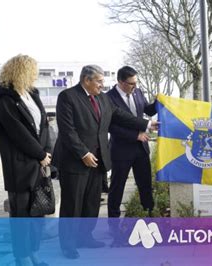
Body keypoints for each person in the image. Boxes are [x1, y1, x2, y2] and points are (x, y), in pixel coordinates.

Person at [52, 65, 157, 259]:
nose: (102, 85)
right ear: (87, 80)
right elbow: (67, 130)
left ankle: (85, 237)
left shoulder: (102, 98)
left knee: (92, 202)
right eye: (99, 81)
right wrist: (83, 152)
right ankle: (68, 244)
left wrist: (147, 124)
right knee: (72, 204)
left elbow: (120, 116)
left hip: (99, 159)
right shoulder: (68, 97)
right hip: (76, 161)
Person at [0, 54, 51, 266]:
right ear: (21, 71)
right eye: (33, 70)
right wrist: (41, 154)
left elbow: (43, 124)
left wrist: (47, 152)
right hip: (19, 164)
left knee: (37, 214)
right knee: (21, 215)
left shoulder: (31, 94)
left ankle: (33, 252)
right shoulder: (5, 98)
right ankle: (22, 256)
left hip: (39, 163)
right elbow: (17, 132)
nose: (36, 75)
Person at [106, 66, 157, 218]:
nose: (135, 87)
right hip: (121, 150)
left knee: (145, 184)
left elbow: (148, 110)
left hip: (141, 149)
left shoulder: (138, 92)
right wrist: (134, 135)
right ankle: (113, 221)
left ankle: (150, 214)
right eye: (131, 84)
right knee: (117, 187)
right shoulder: (108, 98)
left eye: (136, 83)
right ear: (121, 82)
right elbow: (111, 126)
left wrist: (157, 103)